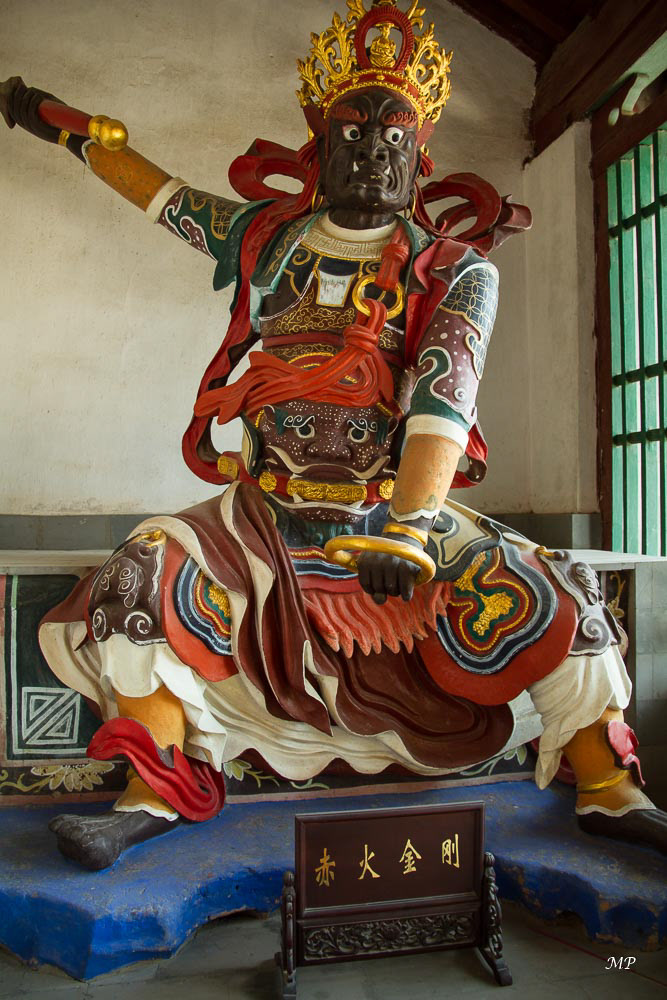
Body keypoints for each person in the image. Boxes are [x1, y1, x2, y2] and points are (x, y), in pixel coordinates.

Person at [3, 0, 665, 871]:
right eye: (352, 134)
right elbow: (162, 198)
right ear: (318, 149)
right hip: (262, 511)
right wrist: (69, 132)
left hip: (393, 515)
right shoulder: (262, 241)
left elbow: (443, 399)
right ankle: (151, 791)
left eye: (393, 139)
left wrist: (410, 526)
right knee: (141, 573)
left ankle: (606, 785)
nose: (372, 153)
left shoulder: (452, 269)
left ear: (420, 157)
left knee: (559, 588)